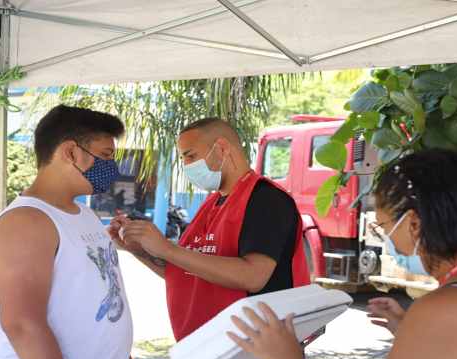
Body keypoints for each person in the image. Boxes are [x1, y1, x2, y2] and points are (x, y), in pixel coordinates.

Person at [227, 149, 457, 359]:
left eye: (383, 227)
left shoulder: (445, 311)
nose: (388, 241)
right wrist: (413, 333)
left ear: (414, 223)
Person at [109, 117, 310, 340]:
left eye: (191, 156)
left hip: (257, 349)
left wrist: (166, 248)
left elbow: (253, 276)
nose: (186, 166)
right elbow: (184, 272)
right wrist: (138, 249)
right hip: (211, 345)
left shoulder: (266, 199)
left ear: (222, 148)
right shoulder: (212, 204)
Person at [0, 105, 134, 359]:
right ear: (71, 152)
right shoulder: (26, 222)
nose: (112, 167)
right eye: (105, 156)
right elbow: (23, 325)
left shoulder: (85, 215)